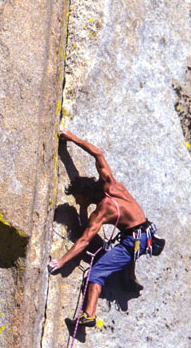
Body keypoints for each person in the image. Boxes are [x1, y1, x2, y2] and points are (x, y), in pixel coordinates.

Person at [48, 129, 157, 331]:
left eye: (78, 199)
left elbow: (84, 241)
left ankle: (89, 315)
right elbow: (98, 154)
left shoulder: (102, 212)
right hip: (145, 234)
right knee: (118, 248)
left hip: (132, 241)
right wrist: (71, 138)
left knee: (96, 272)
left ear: (84, 196)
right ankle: (129, 278)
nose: (77, 202)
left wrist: (61, 261)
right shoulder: (110, 184)